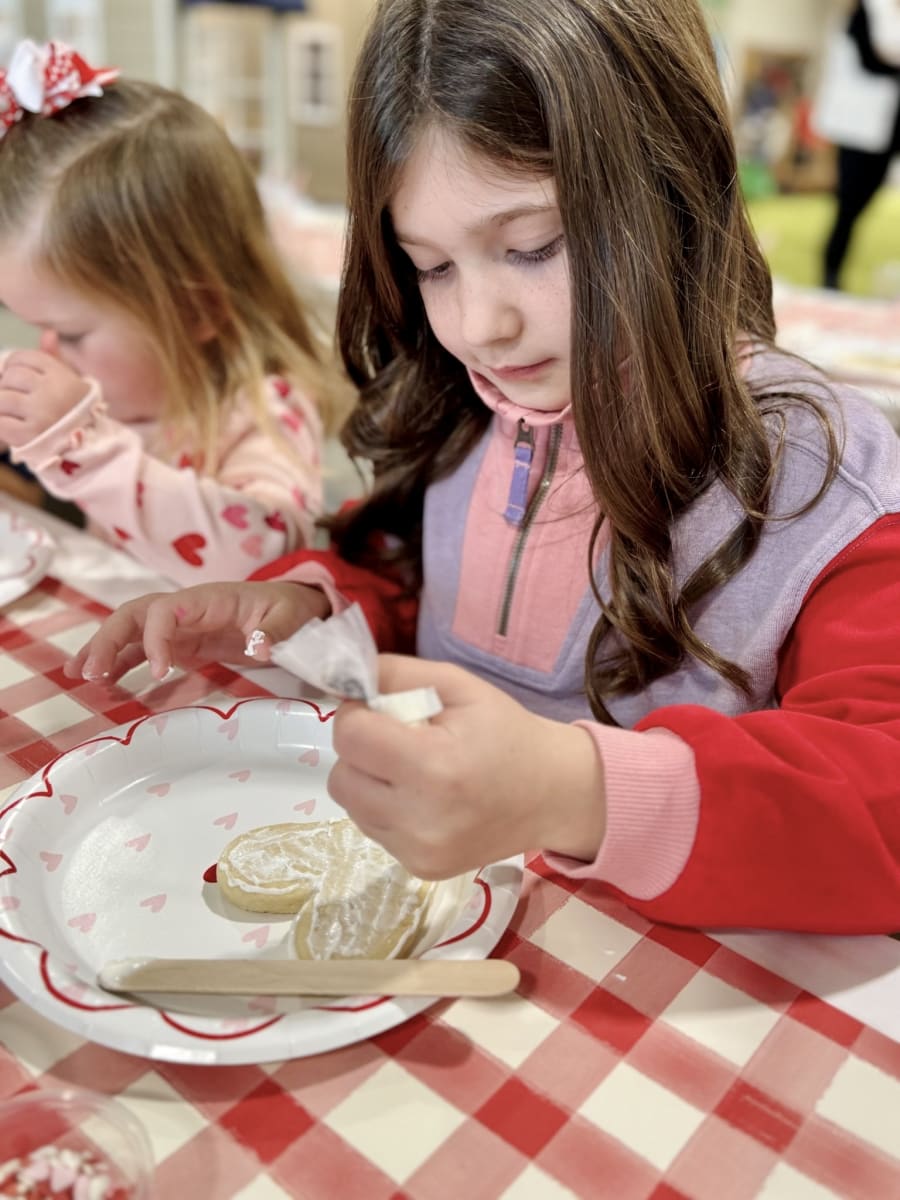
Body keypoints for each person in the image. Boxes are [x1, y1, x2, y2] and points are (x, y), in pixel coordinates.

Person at [69, 0, 900, 935]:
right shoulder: (465, 405)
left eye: (531, 247)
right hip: (429, 926)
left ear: (673, 192)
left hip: (648, 982)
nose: (477, 326)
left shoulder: (821, 472)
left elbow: (885, 799)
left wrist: (574, 791)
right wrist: (302, 611)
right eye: (431, 267)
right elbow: (418, 591)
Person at [0, 40, 342, 583]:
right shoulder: (121, 389)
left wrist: (79, 447)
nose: (47, 348)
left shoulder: (261, 412)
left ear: (196, 311)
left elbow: (261, 556)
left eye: (69, 332)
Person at [812, 0, 900, 289]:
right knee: (849, 203)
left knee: (865, 198)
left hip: (890, 128)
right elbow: (868, 61)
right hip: (860, 128)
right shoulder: (865, 11)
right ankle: (831, 271)